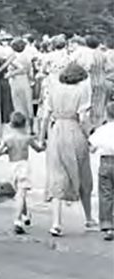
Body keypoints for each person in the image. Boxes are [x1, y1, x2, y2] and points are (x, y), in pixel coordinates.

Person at [41, 63, 96, 237]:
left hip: (56, 131)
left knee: (57, 175)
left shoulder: (54, 89)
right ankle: (88, 218)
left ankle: (56, 222)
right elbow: (83, 117)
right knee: (83, 172)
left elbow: (45, 116)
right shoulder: (81, 91)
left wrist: (41, 138)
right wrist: (89, 136)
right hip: (74, 130)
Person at [0, 111, 45, 234]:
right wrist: (44, 146)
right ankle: (17, 220)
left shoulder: (8, 139)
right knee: (21, 194)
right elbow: (38, 149)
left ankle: (25, 215)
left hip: (12, 167)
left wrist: (6, 152)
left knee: (20, 192)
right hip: (24, 166)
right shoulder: (27, 138)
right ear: (24, 124)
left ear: (11, 125)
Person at [88, 102, 114, 241]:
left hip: (106, 162)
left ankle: (108, 226)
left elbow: (92, 148)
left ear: (106, 114)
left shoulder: (102, 130)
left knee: (105, 194)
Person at [73, 35, 108, 128]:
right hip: (101, 80)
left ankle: (89, 125)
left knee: (87, 104)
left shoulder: (86, 54)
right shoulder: (102, 55)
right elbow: (107, 67)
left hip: (90, 81)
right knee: (99, 104)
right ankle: (98, 124)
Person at [4, 39, 35, 135]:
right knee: (27, 103)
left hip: (16, 81)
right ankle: (31, 127)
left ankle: (20, 126)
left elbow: (22, 69)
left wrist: (10, 74)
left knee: (18, 104)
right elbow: (29, 71)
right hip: (25, 80)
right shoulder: (27, 56)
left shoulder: (12, 57)